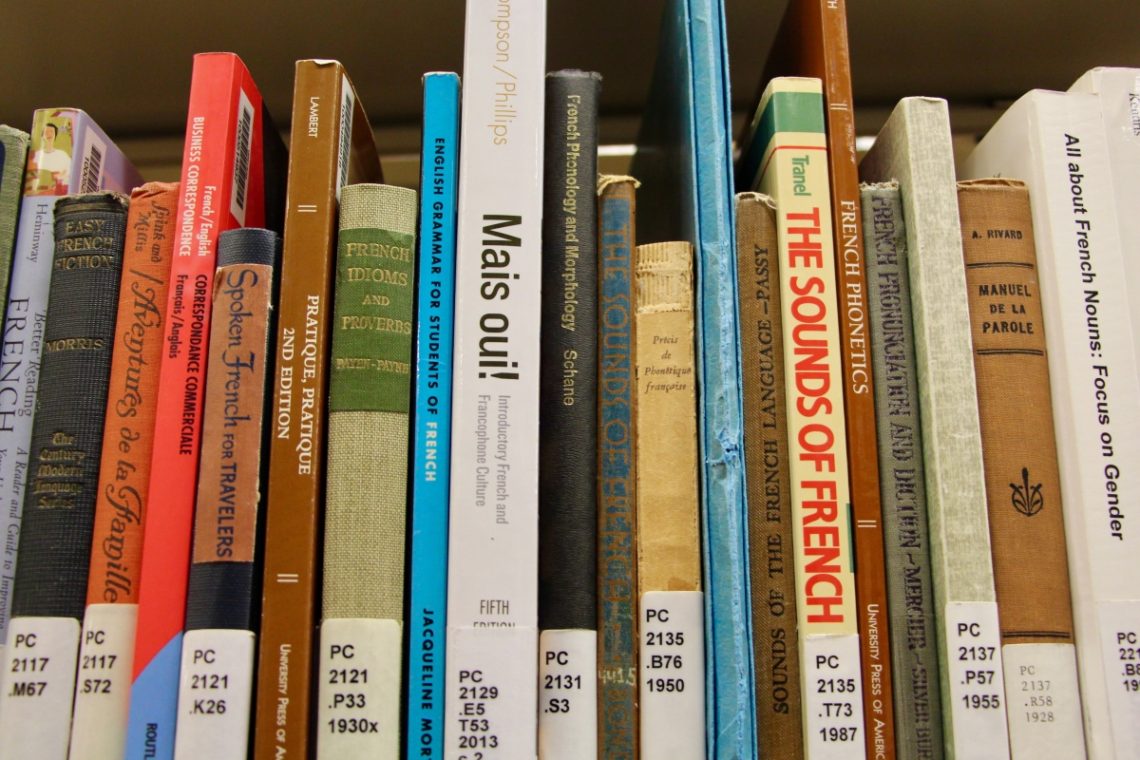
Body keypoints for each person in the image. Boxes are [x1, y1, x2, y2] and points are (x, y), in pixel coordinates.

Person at [30, 122, 70, 192]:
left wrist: (60, 177)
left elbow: (70, 172)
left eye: (52, 132)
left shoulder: (62, 154)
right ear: (42, 136)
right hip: (39, 191)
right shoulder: (37, 155)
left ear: (55, 135)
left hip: (59, 191)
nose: (49, 134)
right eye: (46, 132)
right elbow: (33, 175)